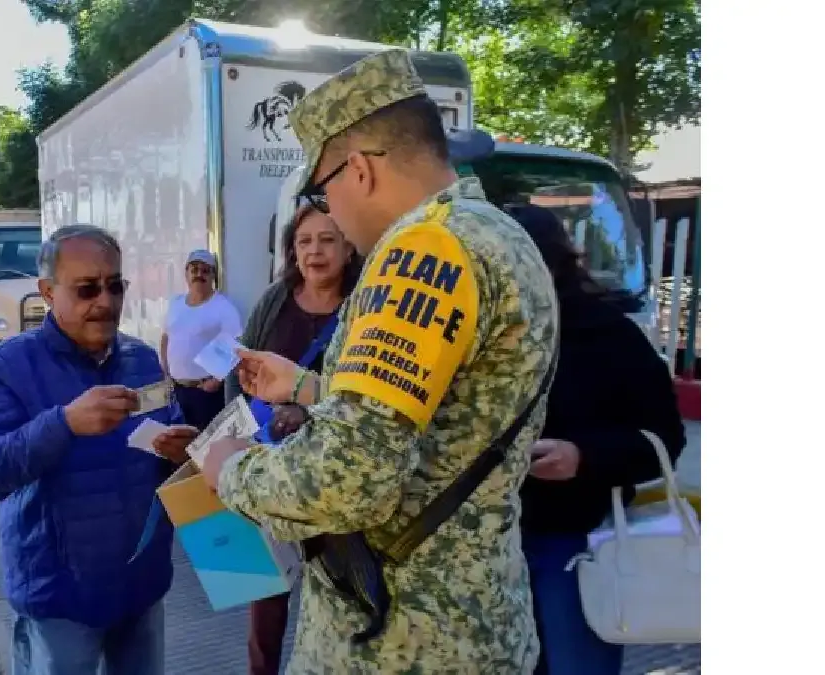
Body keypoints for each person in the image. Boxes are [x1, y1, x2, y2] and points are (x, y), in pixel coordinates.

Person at [200, 50, 558, 673]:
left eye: (323, 190)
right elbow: (449, 418)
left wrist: (229, 467)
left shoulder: (423, 249)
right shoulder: (498, 234)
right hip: (473, 621)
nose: (330, 212)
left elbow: (348, 482)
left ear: (360, 170)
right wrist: (309, 387)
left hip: (395, 642)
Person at [0, 224, 201, 675]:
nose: (105, 302)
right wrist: (64, 423)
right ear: (48, 291)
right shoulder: (7, 367)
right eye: (87, 289)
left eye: (115, 286)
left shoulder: (143, 360)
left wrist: (183, 453)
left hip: (141, 587)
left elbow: (168, 452)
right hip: (59, 599)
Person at [508, 204, 687, 675]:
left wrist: (583, 457)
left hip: (576, 544)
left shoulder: (608, 335)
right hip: (487, 546)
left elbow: (663, 439)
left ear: (553, 263)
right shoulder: (475, 333)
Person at [223, 200, 363, 675]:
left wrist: (306, 410)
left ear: (348, 247)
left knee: (344, 598)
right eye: (304, 242)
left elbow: (368, 398)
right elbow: (240, 368)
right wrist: (239, 433)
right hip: (271, 472)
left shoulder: (365, 305)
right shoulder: (275, 300)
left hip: (334, 477)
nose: (314, 251)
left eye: (327, 240)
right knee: (264, 603)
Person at [159, 249, 242, 429]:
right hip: (175, 390)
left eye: (205, 270)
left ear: (213, 276)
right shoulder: (176, 303)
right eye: (194, 269)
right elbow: (166, 337)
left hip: (204, 394)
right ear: (186, 274)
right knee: (178, 439)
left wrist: (217, 380)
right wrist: (165, 371)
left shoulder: (223, 306)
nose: (199, 275)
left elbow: (235, 345)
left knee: (204, 442)